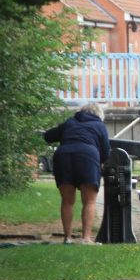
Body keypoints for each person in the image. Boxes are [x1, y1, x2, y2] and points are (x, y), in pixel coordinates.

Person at [43, 102, 110, 244]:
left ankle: (67, 238)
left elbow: (48, 136)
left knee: (67, 201)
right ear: (99, 115)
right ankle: (86, 238)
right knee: (89, 201)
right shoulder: (99, 126)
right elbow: (105, 152)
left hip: (63, 156)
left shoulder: (70, 122)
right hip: (88, 156)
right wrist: (101, 161)